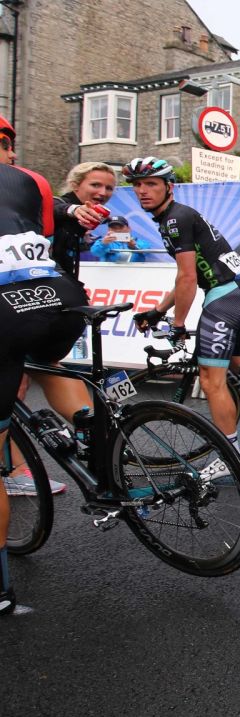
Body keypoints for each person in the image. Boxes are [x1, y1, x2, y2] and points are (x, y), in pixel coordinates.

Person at [123, 157, 240, 469]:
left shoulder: (175, 219)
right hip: (238, 292)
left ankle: (230, 460)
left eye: (151, 184)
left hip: (224, 297)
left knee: (210, 380)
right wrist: (159, 311)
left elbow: (187, 278)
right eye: (137, 185)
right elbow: (186, 279)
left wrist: (178, 325)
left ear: (169, 187)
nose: (142, 191)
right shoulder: (176, 216)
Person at [1, 151, 90, 615]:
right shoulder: (31, 179)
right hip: (59, 294)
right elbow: (47, 229)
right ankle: (102, 450)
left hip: (5, 307)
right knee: (44, 362)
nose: (12, 151)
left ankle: (1, 591)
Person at [52, 162, 118, 285]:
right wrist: (74, 210)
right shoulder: (58, 204)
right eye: (95, 185)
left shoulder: (89, 217)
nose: (103, 192)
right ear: (75, 185)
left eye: (109, 188)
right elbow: (53, 207)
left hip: (65, 281)